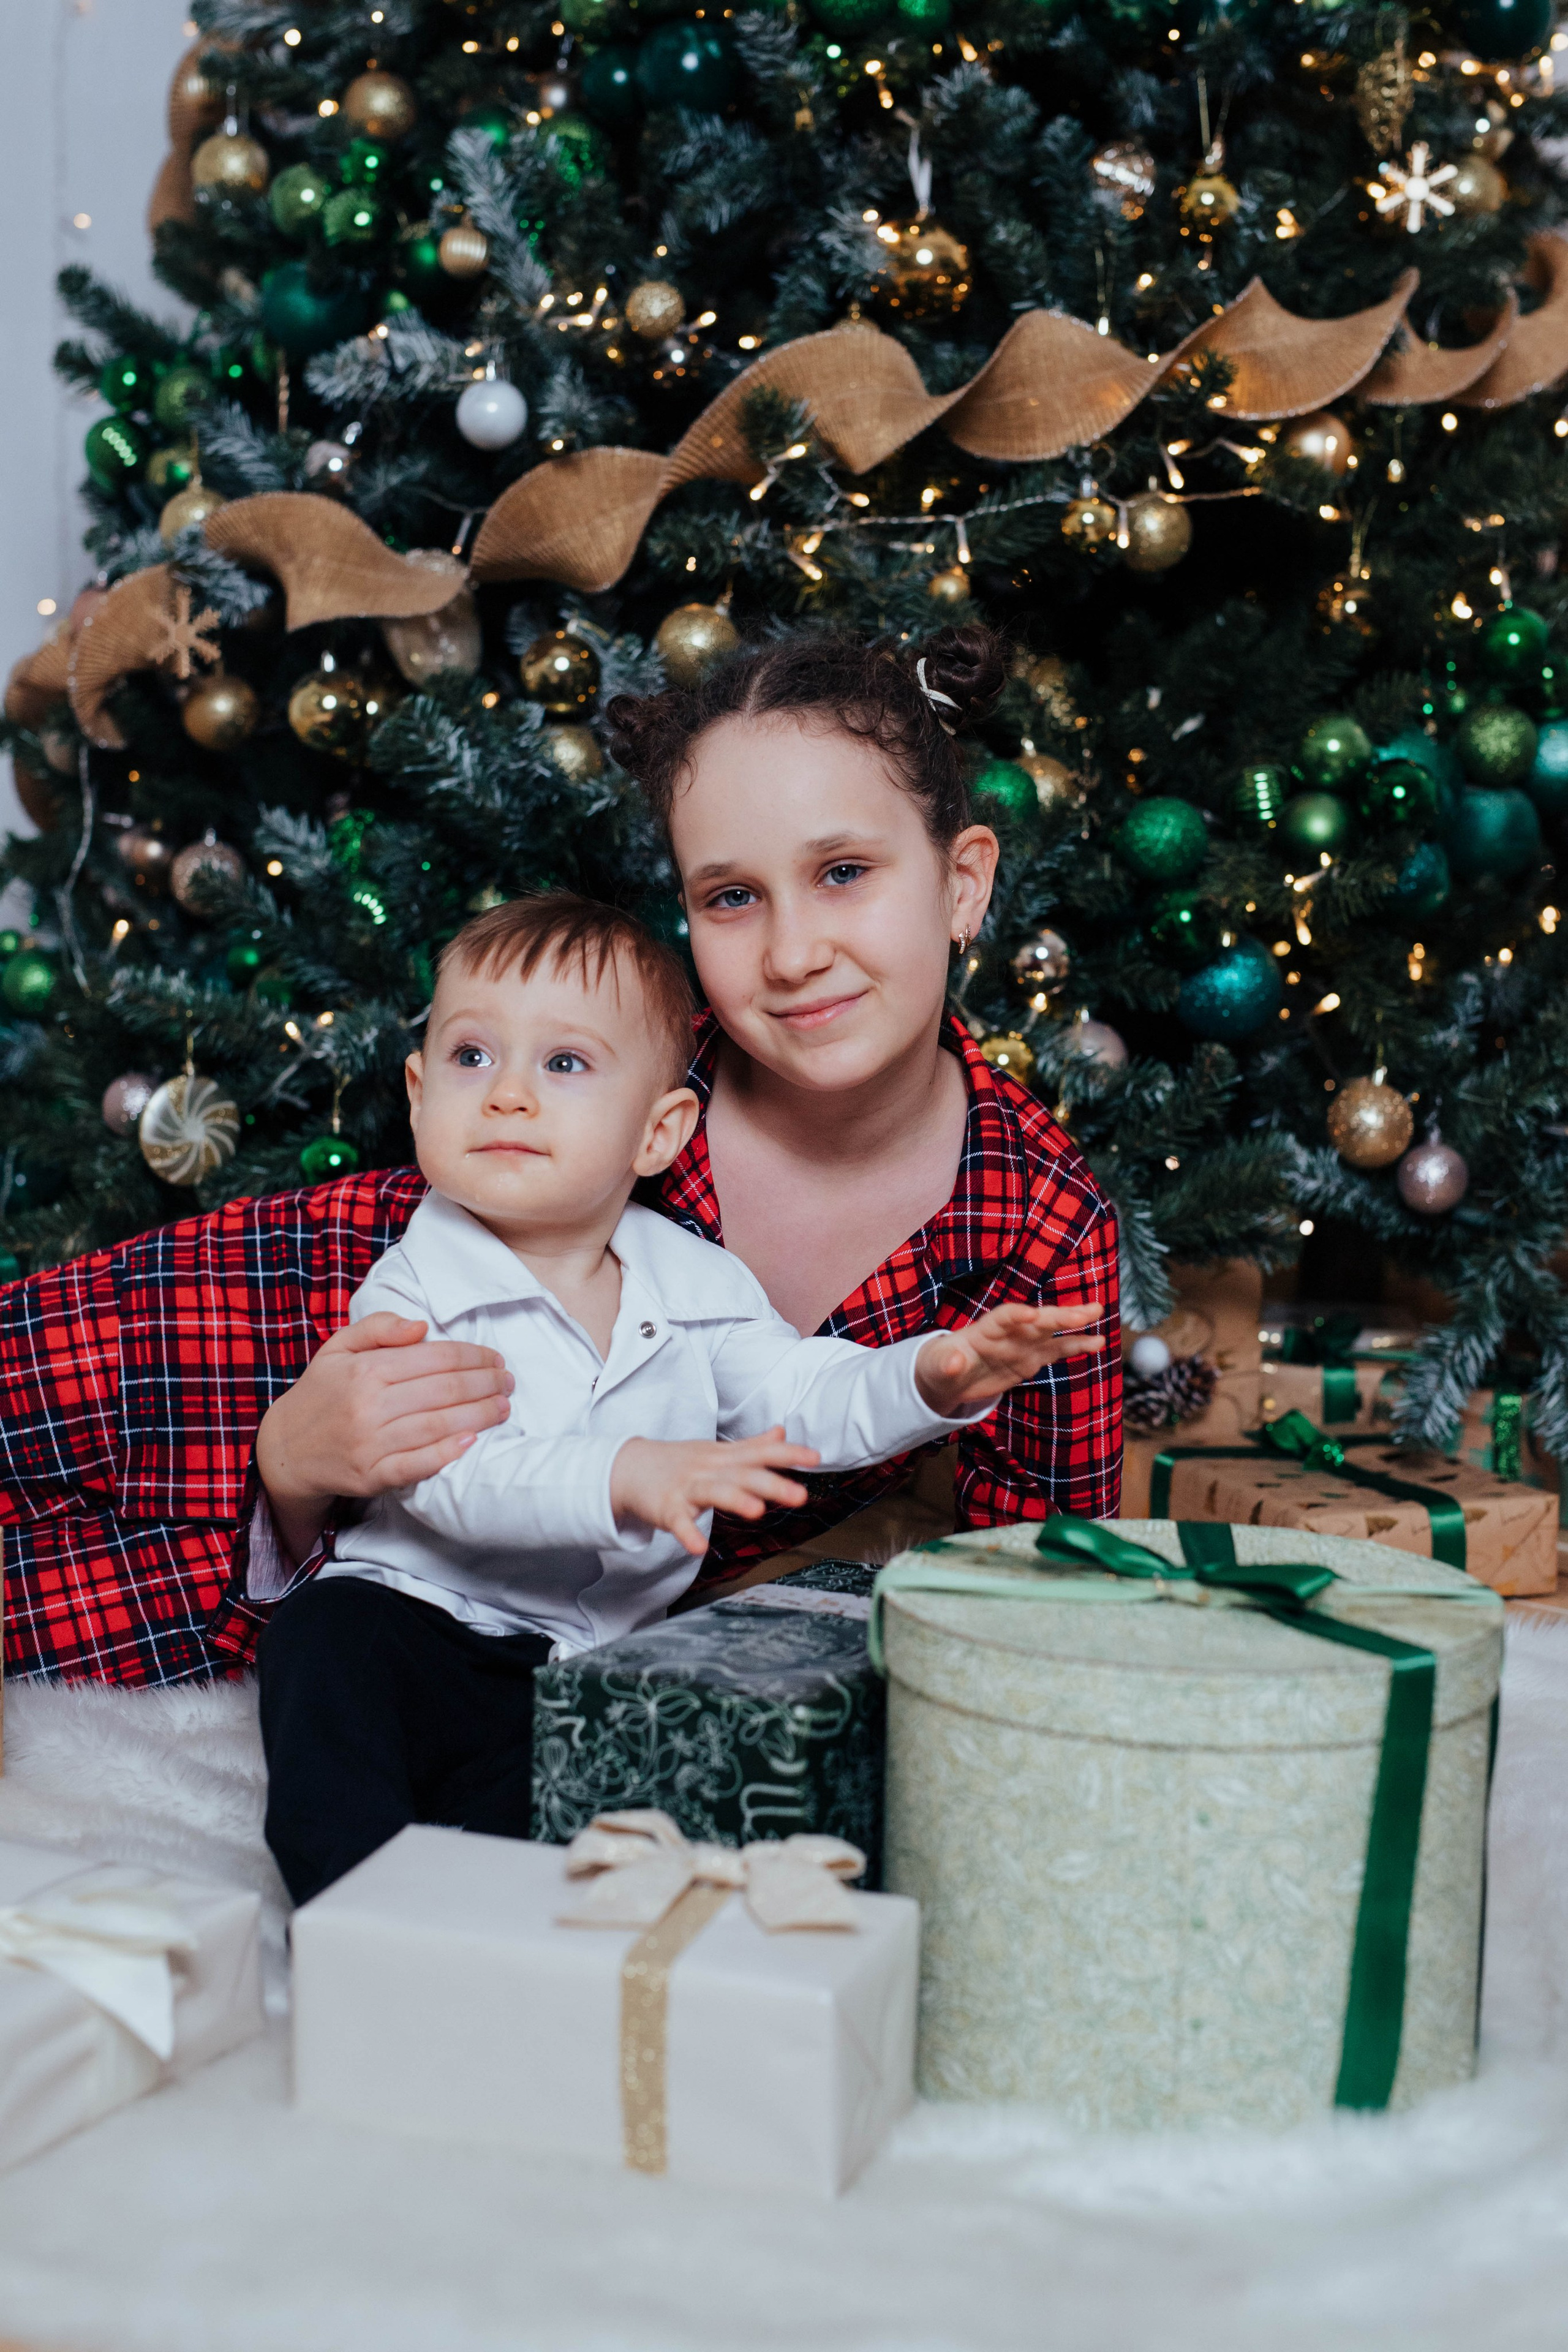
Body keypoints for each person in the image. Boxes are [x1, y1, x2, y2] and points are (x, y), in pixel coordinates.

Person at [0, 622, 1120, 1691]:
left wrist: (293, 1510)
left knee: (92, 1626)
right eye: (732, 897)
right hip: (331, 1304)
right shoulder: (614, 1061)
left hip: (491, 1590)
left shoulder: (1041, 1229)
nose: (791, 953)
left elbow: (1039, 1593)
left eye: (843, 873)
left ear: (962, 883)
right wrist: (290, 1465)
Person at [256, 890, 1104, 1901]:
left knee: (595, 1789)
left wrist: (928, 1375)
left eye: (563, 1064)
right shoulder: (416, 1284)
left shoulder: (695, 1284)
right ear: (417, 1091)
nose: (508, 1095)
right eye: (471, 1057)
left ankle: (489, 1914)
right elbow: (450, 1478)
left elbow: (801, 1394)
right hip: (418, 1624)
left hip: (589, 1668)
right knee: (323, 1642)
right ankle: (356, 1918)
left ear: (658, 1133)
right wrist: (629, 1474)